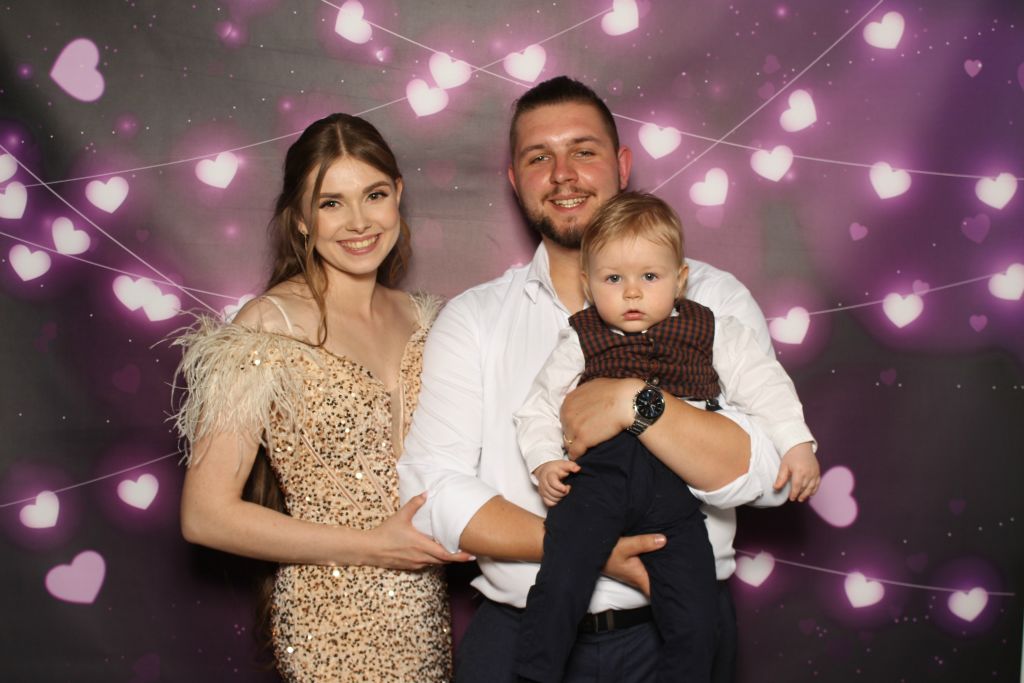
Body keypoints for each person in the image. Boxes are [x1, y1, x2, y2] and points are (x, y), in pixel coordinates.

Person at [398, 76, 820, 683]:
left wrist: (633, 402)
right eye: (538, 158)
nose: (562, 174)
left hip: (676, 630)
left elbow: (770, 476)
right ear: (514, 180)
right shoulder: (475, 318)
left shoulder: (714, 303)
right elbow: (433, 493)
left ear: (622, 165)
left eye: (583, 150)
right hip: (521, 631)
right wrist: (582, 546)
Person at [172, 113, 471, 682]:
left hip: (422, 617)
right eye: (331, 203)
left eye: (374, 195)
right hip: (327, 620)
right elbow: (205, 515)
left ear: (398, 195)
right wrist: (372, 547)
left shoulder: (426, 319)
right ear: (302, 219)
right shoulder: (268, 326)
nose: (358, 222)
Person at [514, 191, 816, 683]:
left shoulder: (713, 330)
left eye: (649, 278)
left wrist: (797, 443)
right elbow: (538, 407)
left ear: (680, 280)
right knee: (560, 584)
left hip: (674, 492)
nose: (632, 293)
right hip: (597, 481)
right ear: (588, 284)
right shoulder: (580, 337)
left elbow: (765, 386)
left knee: (696, 611)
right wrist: (544, 460)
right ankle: (534, 675)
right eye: (614, 279)